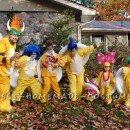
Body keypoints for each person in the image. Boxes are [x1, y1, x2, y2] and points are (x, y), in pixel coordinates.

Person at [59, 37, 101, 102]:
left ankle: (78, 97)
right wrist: (60, 63)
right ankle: (73, 98)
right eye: (70, 51)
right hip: (72, 73)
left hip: (80, 71)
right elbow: (63, 60)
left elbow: (87, 49)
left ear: (76, 50)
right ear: (69, 51)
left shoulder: (80, 52)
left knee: (80, 83)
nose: (72, 53)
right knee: (73, 83)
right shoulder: (68, 56)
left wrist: (95, 45)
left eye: (73, 51)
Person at [0, 16, 25, 111]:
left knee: (5, 90)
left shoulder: (12, 44)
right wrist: (10, 59)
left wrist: (16, 61)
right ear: (9, 34)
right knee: (4, 90)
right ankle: (4, 107)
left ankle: (5, 105)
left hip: (6, 73)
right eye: (14, 35)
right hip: (1, 73)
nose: (16, 37)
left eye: (17, 35)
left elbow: (12, 57)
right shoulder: (3, 42)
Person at [40, 39, 62, 103]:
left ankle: (59, 97)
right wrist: (45, 63)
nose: (50, 49)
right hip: (46, 74)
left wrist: (57, 65)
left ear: (52, 47)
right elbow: (42, 64)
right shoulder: (44, 55)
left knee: (55, 85)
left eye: (51, 48)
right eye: (48, 48)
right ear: (47, 48)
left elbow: (59, 63)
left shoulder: (56, 55)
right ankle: (43, 99)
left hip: (53, 73)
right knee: (47, 85)